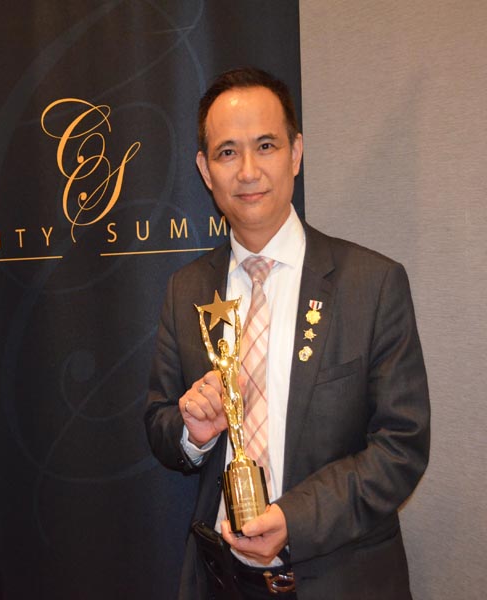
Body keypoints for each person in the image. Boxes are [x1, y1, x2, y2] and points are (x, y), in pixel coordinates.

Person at [144, 67, 430, 599]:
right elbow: (160, 422)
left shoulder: (372, 284)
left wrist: (293, 518)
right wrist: (192, 434)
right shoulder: (187, 290)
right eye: (227, 152)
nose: (248, 171)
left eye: (266, 146)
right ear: (206, 170)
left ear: (296, 153)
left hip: (341, 580)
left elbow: (401, 447)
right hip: (223, 581)